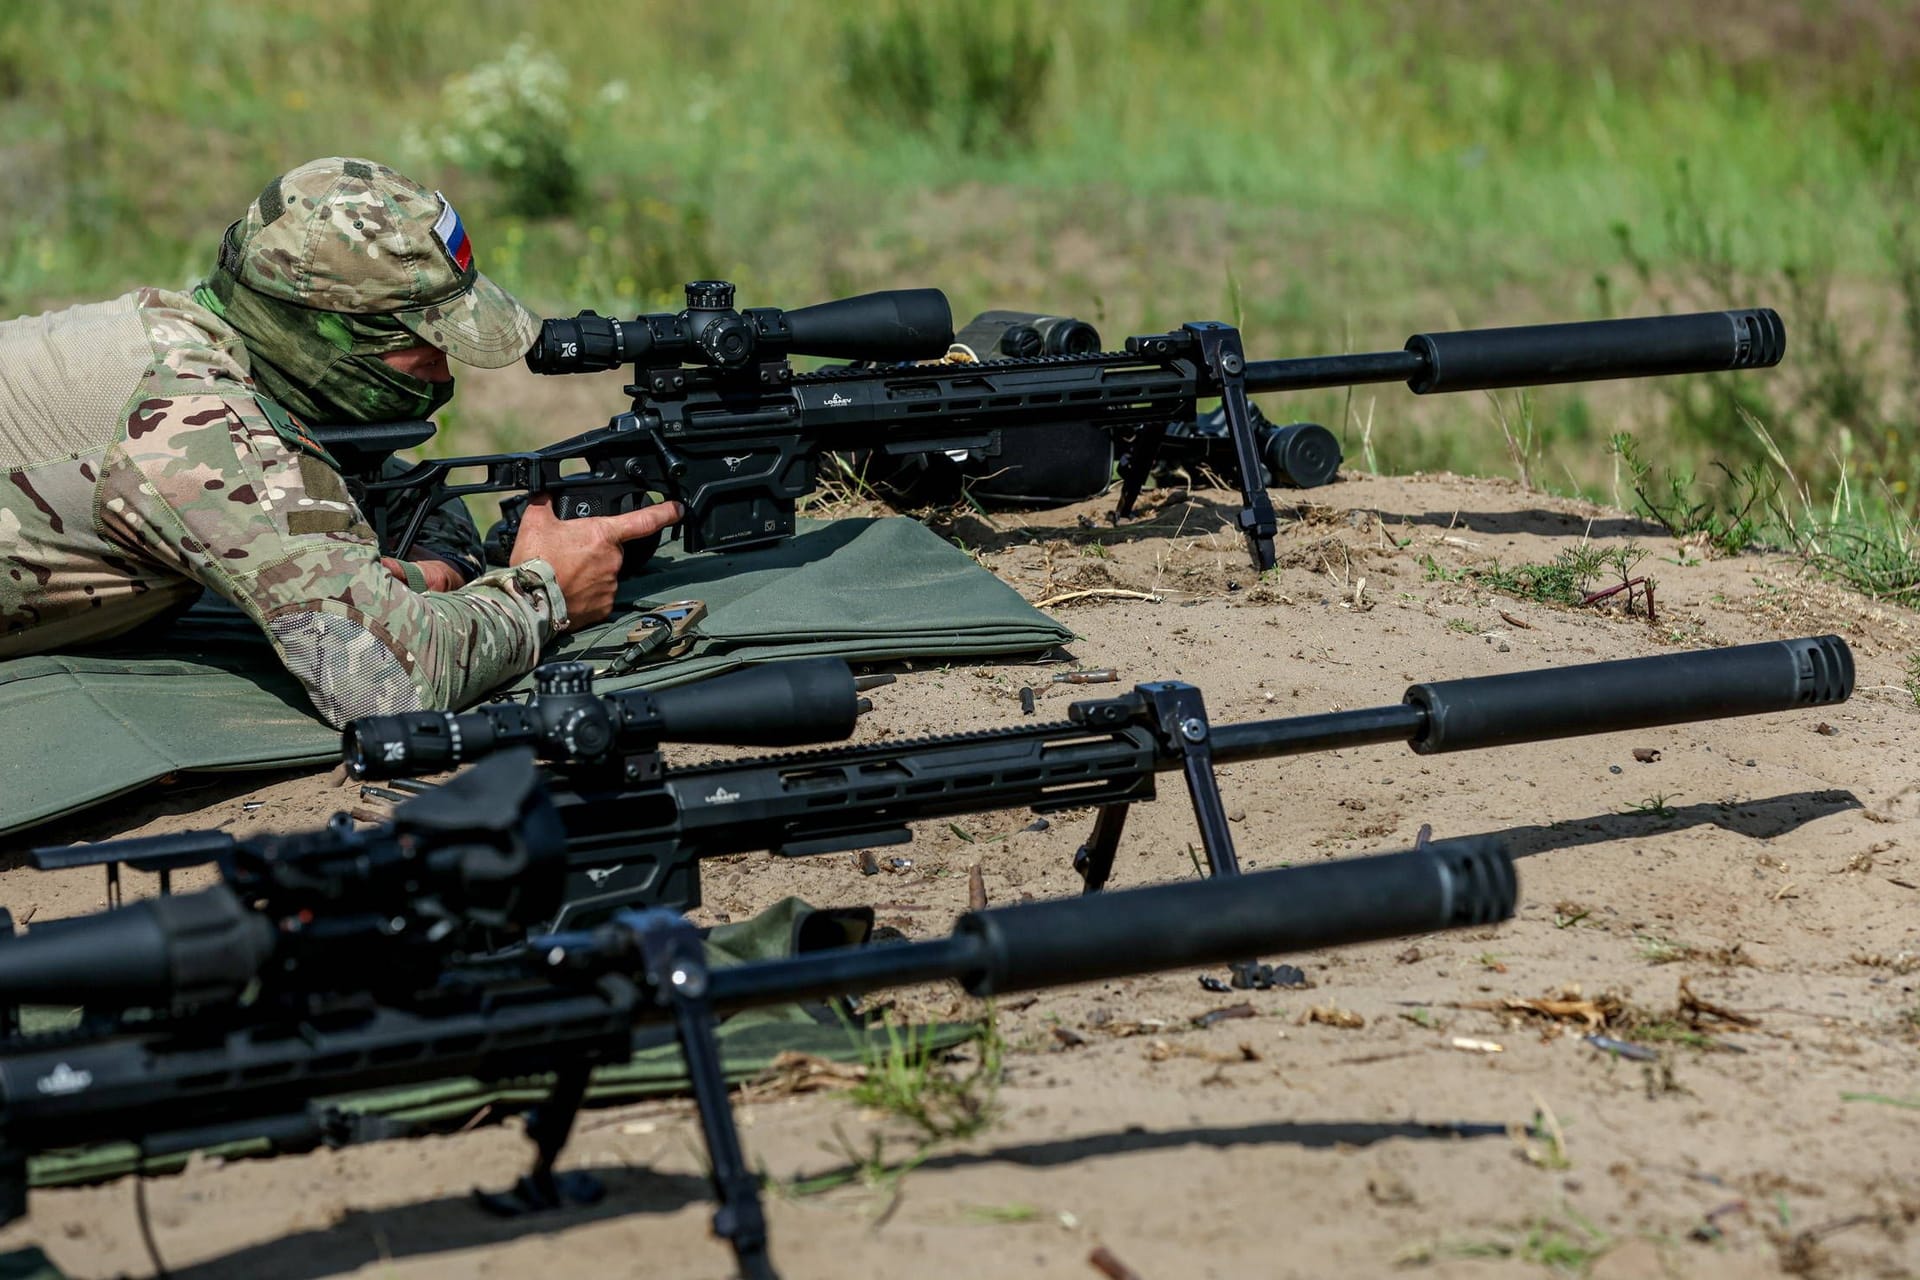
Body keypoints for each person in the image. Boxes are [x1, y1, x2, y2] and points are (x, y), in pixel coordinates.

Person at [0, 157, 678, 727]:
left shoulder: (205, 338)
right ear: (320, 336)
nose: (446, 375)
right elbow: (385, 685)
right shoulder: (197, 426)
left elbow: (362, 476)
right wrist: (545, 592)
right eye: (428, 348)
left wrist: (434, 563)